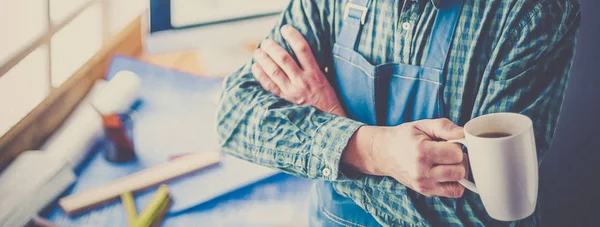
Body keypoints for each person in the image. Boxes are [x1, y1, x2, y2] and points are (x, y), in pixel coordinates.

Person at [216, 0, 580, 226]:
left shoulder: (533, 12)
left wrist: (331, 124)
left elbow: (481, 216)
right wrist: (373, 149)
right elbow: (235, 118)